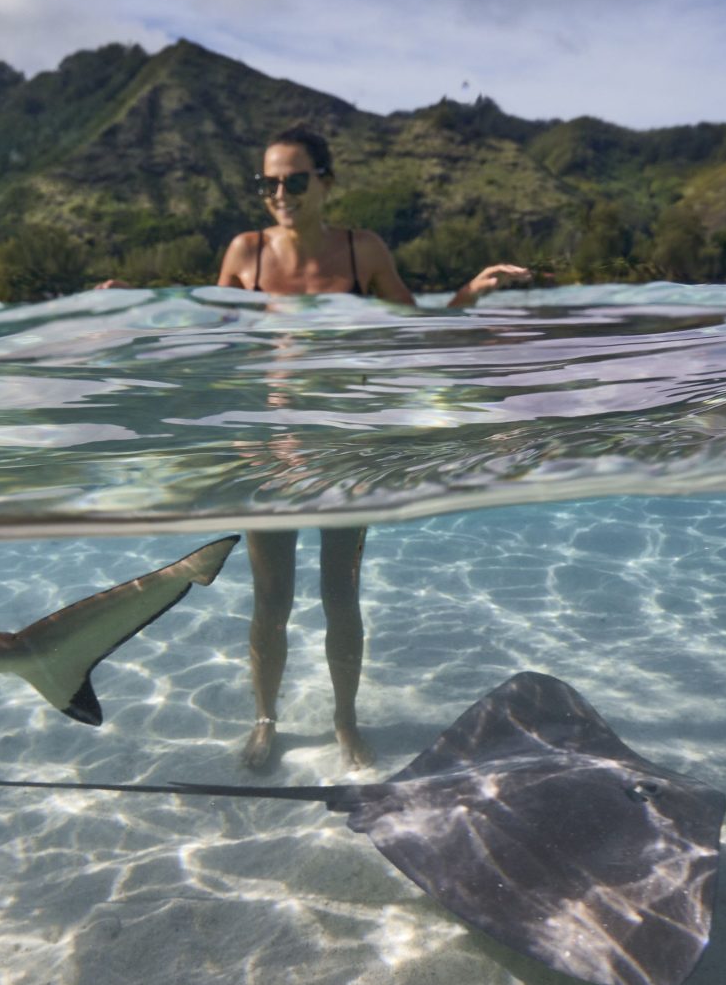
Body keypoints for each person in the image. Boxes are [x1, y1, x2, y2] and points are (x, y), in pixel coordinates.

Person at [218, 124, 530, 771]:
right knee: (271, 602)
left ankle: (344, 721)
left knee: (341, 596)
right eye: (269, 182)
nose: (280, 192)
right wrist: (127, 315)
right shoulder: (244, 253)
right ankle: (266, 720)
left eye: (295, 180)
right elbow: (207, 345)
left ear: (325, 183)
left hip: (346, 451)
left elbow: (415, 336)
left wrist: (469, 295)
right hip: (270, 452)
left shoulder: (363, 253)